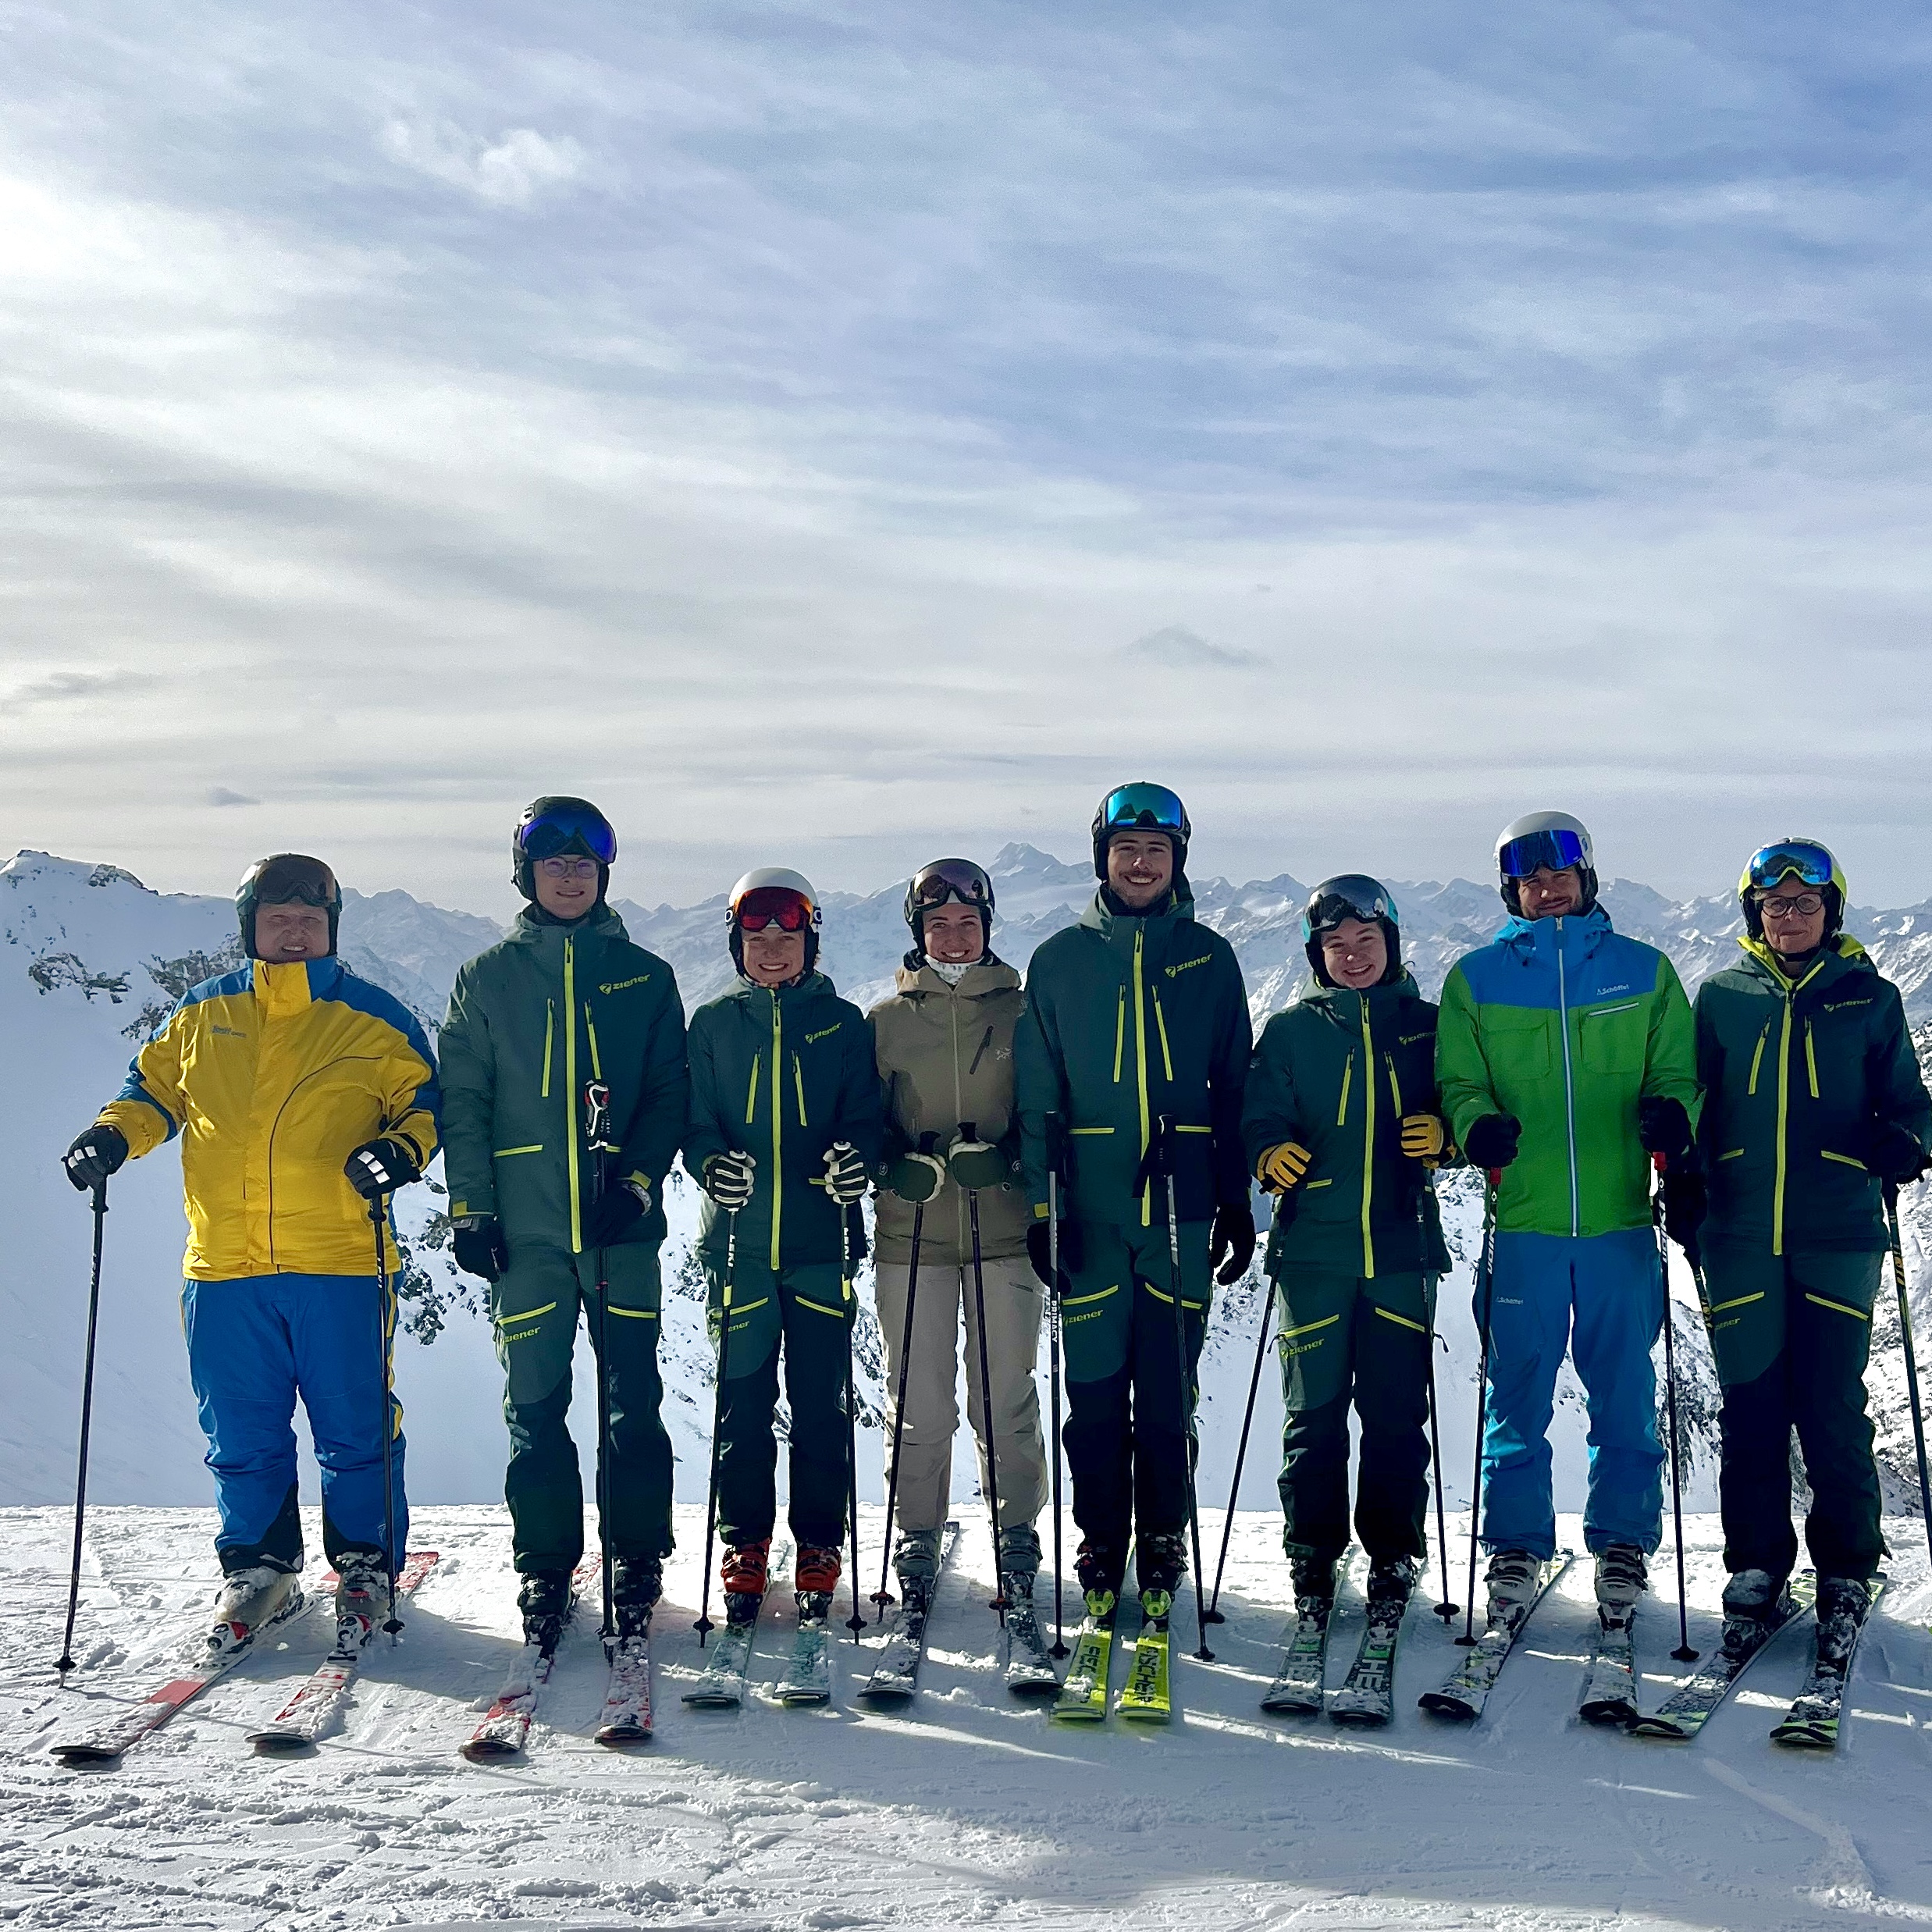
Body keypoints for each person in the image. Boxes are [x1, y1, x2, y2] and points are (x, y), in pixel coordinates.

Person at [62, 855, 438, 1652]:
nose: (294, 931)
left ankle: (365, 1564)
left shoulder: (375, 1018)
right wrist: (110, 1137)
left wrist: (401, 1150)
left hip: (338, 1260)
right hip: (225, 1266)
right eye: (277, 918)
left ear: (331, 927)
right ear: (251, 927)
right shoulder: (203, 1015)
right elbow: (150, 1095)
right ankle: (261, 1566)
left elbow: (426, 1104)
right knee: (240, 1427)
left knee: (356, 1424)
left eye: (309, 920)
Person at [1435, 810, 1699, 1626]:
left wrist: (1673, 1118)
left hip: (1621, 1221)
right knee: (1517, 1392)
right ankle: (1515, 1542)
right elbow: (1458, 1081)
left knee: (1624, 1387)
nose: (1547, 889)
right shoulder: (1475, 980)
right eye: (1530, 879)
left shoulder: (1645, 973)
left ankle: (1622, 1540)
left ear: (1588, 880)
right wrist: (1477, 1124)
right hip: (1524, 1224)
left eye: (1561, 875)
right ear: (1510, 890)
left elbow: (1679, 1073)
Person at [439, 798, 688, 1646]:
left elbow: (667, 1094)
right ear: (528, 874)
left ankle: (635, 1558)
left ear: (604, 874)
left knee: (632, 1405)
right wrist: (470, 1209)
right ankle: (545, 1566)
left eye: (586, 863)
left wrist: (643, 1181)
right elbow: (464, 1100)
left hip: (621, 1230)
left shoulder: (646, 977)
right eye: (555, 863)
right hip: (530, 1234)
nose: (572, 875)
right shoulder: (488, 978)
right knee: (535, 1407)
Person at [1015, 782, 1255, 1627]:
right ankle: (1099, 1541)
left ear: (1178, 860)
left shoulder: (1210, 957)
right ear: (1103, 859)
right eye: (1126, 850)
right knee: (1091, 1397)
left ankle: (1161, 1536)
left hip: (1182, 1211)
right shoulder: (1060, 962)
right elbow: (1038, 1097)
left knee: (1164, 1394)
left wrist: (1234, 1197)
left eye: (1156, 850)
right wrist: (1042, 1213)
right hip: (1089, 1212)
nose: (1141, 863)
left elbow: (1234, 1085)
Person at [1692, 838, 1931, 1660]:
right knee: (1753, 1409)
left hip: (1839, 1230)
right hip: (1740, 1233)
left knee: (1832, 1408)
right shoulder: (1721, 997)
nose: (1789, 916)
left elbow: (1913, 1102)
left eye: (1805, 903)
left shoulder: (1869, 997)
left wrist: (1906, 1142)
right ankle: (1756, 1565)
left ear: (1832, 911)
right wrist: (1683, 1173)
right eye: (1773, 905)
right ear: (1752, 913)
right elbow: (1695, 1102)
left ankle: (1845, 1570)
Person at [1241, 876, 1452, 1631]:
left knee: (1396, 1413)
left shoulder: (1429, 1027)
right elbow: (1257, 1115)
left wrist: (1447, 1136)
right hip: (1314, 1253)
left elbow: (1466, 1102)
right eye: (1336, 945)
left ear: (1391, 946)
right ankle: (1312, 1551)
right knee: (1314, 1415)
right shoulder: (1292, 1032)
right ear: (1316, 953)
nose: (1353, 955)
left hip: (1400, 1247)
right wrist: (1269, 1152)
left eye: (1367, 941)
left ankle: (1393, 1551)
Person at [682, 868, 883, 1621]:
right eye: (757, 935)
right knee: (742, 1404)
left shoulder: (842, 1023)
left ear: (810, 941)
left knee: (821, 1403)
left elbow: (867, 1116)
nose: (772, 947)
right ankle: (746, 1539)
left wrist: (855, 1162)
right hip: (736, 1245)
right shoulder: (711, 1024)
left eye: (787, 934)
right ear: (737, 942)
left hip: (820, 1243)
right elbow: (695, 1122)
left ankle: (819, 1539)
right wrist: (710, 1164)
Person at [870, 858, 1046, 1615]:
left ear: (988, 926)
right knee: (919, 1398)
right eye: (938, 923)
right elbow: (858, 1119)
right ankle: (918, 1528)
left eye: (968, 922)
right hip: (911, 1236)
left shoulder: (1024, 1014)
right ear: (918, 931)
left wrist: (1008, 1160)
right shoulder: (883, 1023)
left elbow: (1048, 1113)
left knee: (1004, 1394)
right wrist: (889, 1164)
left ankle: (1016, 1530)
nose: (953, 934)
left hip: (1004, 1232)